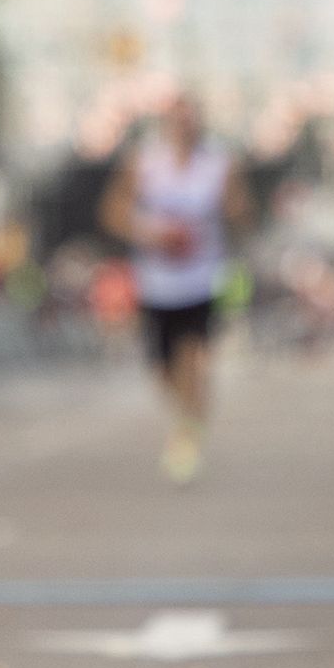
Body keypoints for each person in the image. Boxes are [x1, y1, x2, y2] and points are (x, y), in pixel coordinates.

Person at [100, 91, 252, 484]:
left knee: (195, 359)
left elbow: (239, 210)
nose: (185, 127)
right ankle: (188, 418)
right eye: (177, 120)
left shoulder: (219, 163)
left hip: (202, 280)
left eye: (191, 119)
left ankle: (187, 436)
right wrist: (148, 233)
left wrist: (235, 211)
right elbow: (113, 210)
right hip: (156, 283)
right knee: (162, 368)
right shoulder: (145, 161)